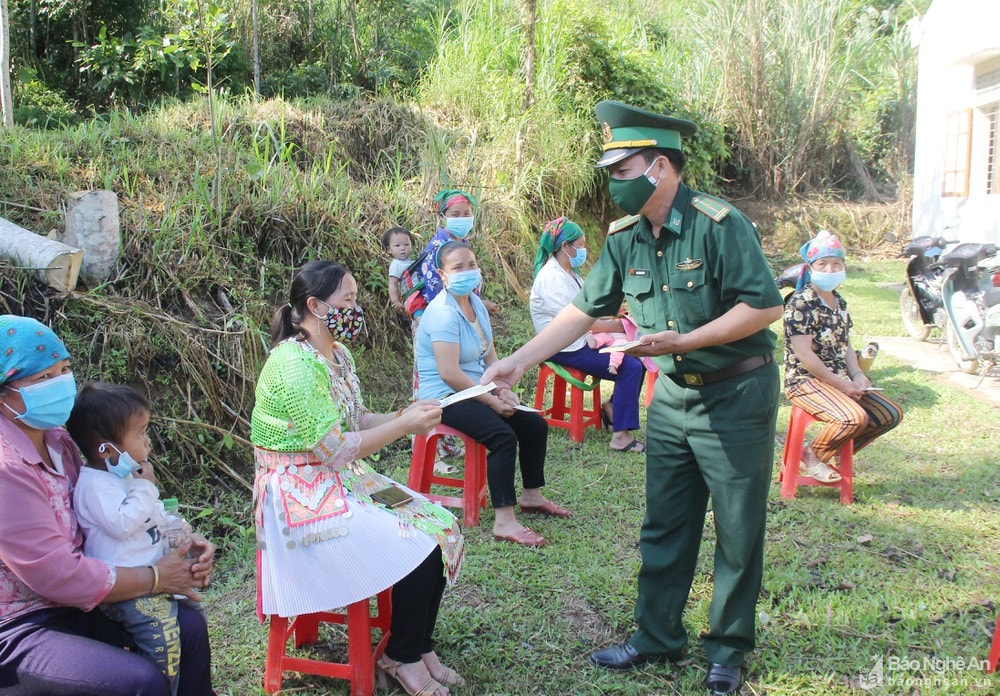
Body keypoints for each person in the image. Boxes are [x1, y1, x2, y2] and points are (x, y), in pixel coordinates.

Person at [481, 101, 784, 696]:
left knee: (737, 527)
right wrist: (519, 360)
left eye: (623, 171)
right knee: (665, 521)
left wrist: (687, 340)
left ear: (662, 167)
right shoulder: (622, 239)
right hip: (671, 396)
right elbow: (581, 310)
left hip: (736, 393)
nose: (613, 183)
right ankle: (656, 635)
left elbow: (764, 306)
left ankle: (726, 648)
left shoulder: (719, 225)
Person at [250, 261, 465, 696]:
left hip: (343, 478)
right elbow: (332, 447)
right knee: (414, 541)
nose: (356, 307)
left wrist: (405, 414)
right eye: (347, 300)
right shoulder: (293, 364)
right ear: (314, 305)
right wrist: (405, 426)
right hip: (299, 493)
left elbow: (358, 419)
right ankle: (401, 655)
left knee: (439, 523)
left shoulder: (339, 354)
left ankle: (418, 646)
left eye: (355, 298)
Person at [0, 315, 214, 696]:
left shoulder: (58, 440)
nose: (61, 383)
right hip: (20, 625)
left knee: (190, 629)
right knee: (138, 683)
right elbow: (56, 574)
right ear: (4, 392)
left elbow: (101, 518)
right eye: (43, 378)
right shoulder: (6, 469)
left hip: (78, 607)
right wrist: (156, 577)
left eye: (64, 370)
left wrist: (177, 540)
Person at [416, 241, 569, 548]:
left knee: (533, 424)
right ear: (442, 275)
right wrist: (490, 401)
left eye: (471, 265)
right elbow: (449, 373)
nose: (468, 272)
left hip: (476, 387)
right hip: (445, 396)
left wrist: (502, 388)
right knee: (501, 436)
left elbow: (490, 359)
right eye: (458, 268)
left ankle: (532, 495)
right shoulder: (443, 314)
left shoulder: (474, 303)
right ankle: (504, 521)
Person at [66, 382, 199, 695]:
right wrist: (145, 487)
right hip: (128, 591)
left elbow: (152, 515)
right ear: (107, 450)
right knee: (163, 645)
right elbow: (122, 523)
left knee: (190, 624)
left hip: (152, 580)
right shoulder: (94, 485)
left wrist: (181, 532)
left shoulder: (125, 476)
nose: (148, 441)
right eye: (140, 433)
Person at [784, 230, 903, 482]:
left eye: (836, 263)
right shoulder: (800, 303)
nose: (830, 269)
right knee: (853, 418)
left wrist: (858, 375)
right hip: (805, 381)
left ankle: (834, 451)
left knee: (889, 415)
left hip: (838, 380)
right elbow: (804, 354)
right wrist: (840, 384)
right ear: (811, 267)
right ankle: (812, 455)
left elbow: (845, 345)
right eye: (823, 264)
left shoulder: (839, 303)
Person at [529, 216, 647, 452]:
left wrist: (618, 320)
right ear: (565, 247)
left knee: (637, 358)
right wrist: (617, 327)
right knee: (630, 367)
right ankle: (620, 437)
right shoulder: (552, 278)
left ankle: (613, 409)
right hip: (563, 346)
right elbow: (576, 322)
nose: (584, 250)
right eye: (580, 245)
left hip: (580, 340)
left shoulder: (571, 275)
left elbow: (591, 312)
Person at [410, 189, 498, 319]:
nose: (462, 218)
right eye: (456, 215)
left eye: (466, 213)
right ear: (442, 217)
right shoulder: (436, 250)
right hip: (445, 318)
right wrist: (476, 307)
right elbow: (436, 295)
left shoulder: (462, 243)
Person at [384, 226, 416, 314]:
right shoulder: (396, 264)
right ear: (389, 249)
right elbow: (393, 284)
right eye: (397, 245)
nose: (402, 248)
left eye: (406, 244)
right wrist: (395, 302)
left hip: (419, 295)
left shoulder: (410, 261)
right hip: (412, 298)